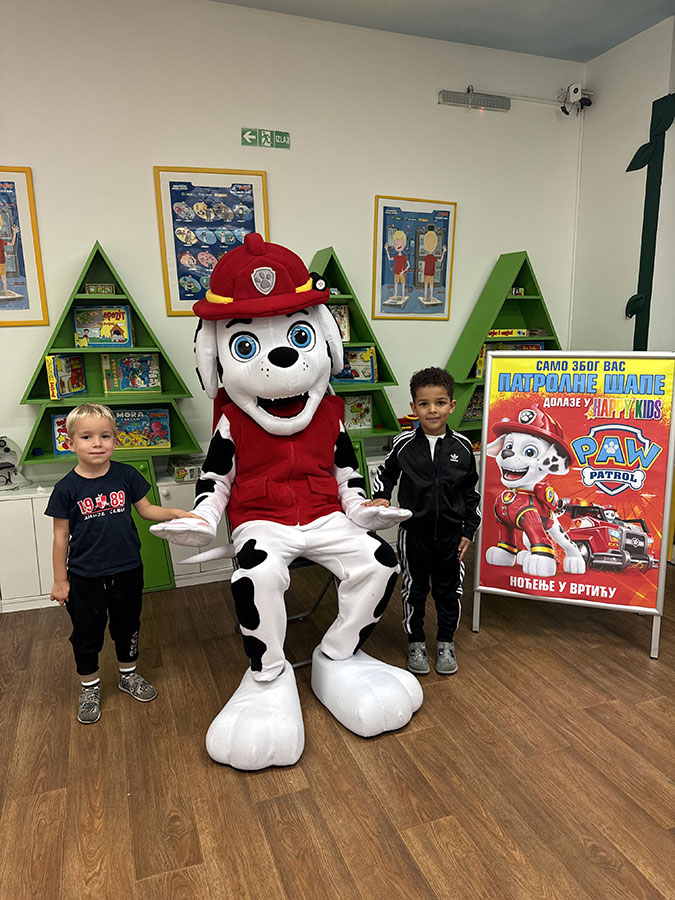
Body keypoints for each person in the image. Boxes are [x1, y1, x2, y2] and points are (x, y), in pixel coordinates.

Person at [45, 403, 203, 724]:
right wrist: (60, 581)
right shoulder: (65, 489)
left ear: (115, 440)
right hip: (85, 578)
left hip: (128, 570)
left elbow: (146, 510)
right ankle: (89, 687)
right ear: (70, 443)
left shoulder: (126, 475)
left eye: (105, 436)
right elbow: (60, 537)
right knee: (87, 634)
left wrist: (176, 513)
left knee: (128, 627)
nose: (97, 443)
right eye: (87, 437)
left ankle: (128, 675)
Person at [364, 367, 481, 675]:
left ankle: (445, 642)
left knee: (448, 591)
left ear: (451, 406)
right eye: (424, 404)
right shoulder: (403, 443)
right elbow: (386, 473)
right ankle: (415, 640)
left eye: (440, 403)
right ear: (414, 407)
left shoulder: (462, 447)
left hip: (452, 535)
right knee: (414, 590)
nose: (432, 410)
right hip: (413, 533)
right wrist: (382, 496)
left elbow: (471, 493)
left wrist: (468, 530)